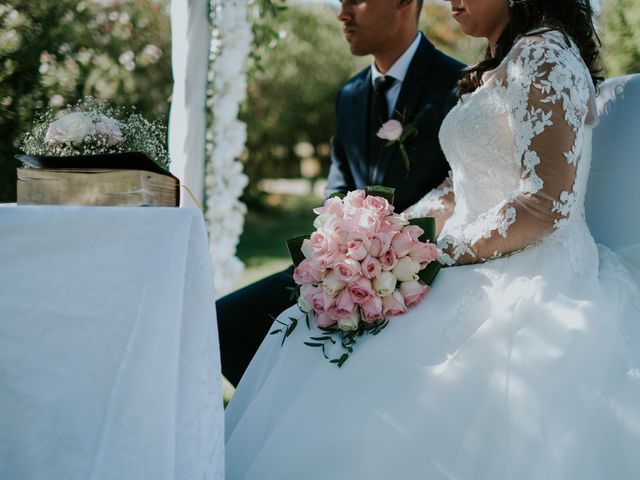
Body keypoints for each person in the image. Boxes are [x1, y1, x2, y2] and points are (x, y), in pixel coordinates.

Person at [225, 0, 640, 477]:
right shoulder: (493, 66)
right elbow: (455, 189)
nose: (450, 1)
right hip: (470, 259)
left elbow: (546, 205)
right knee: (317, 331)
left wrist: (431, 254)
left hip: (527, 274)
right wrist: (383, 235)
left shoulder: (543, 56)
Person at [217, 0, 465, 386]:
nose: (342, 14)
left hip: (418, 276)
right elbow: (336, 191)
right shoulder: (349, 95)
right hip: (340, 271)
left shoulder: (458, 85)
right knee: (222, 324)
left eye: (355, 1)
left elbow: (465, 190)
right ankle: (284, 411)